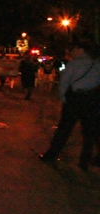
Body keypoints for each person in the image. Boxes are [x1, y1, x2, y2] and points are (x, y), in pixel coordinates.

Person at [39, 40, 100, 170]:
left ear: (80, 50)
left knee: (64, 128)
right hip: (91, 99)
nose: (71, 53)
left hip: (75, 98)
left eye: (73, 50)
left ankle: (51, 155)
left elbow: (64, 82)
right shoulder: (96, 64)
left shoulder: (73, 63)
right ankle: (85, 160)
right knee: (89, 131)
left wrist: (63, 97)